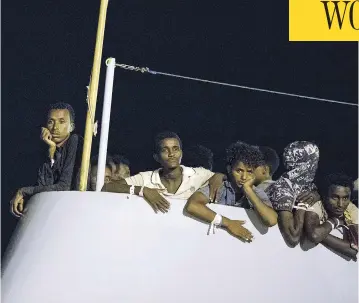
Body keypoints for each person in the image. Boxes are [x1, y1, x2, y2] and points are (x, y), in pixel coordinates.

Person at [103, 131, 222, 213]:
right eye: (165, 150)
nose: (171, 154)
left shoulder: (198, 174)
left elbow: (225, 178)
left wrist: (218, 176)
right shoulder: (146, 178)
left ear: (181, 154)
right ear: (156, 157)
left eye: (175, 149)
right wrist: (142, 190)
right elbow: (108, 187)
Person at [184, 142, 278, 242]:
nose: (244, 177)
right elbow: (192, 206)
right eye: (239, 171)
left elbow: (271, 220)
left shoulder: (256, 192)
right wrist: (228, 223)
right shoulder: (220, 187)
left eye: (249, 172)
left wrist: (248, 191)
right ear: (229, 170)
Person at [10, 102, 83, 217]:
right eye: (51, 122)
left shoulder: (75, 141)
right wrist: (51, 150)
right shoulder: (46, 148)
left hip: (75, 210)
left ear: (72, 127)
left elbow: (64, 187)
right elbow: (44, 186)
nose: (55, 128)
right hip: (57, 210)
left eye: (62, 122)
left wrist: (24, 191)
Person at [266, 141, 320, 248]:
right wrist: (303, 206)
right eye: (313, 162)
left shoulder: (308, 187)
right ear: (304, 165)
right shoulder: (282, 189)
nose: (316, 166)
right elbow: (293, 237)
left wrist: (317, 195)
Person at [304, 173, 358, 260]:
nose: (340, 204)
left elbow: (353, 249)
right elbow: (314, 235)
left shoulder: (352, 210)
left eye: (345, 198)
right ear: (325, 197)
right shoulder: (317, 205)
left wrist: (314, 230)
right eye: (335, 197)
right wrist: (334, 221)